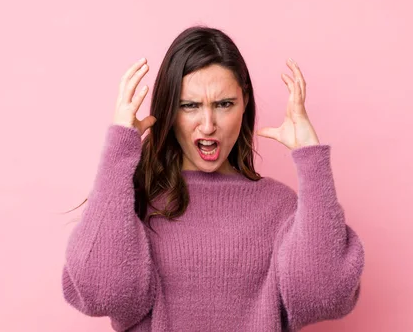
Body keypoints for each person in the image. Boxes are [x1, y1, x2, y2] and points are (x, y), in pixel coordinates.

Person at [61, 26, 364, 332]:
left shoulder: (281, 207)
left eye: (224, 104)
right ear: (169, 109)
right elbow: (100, 293)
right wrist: (119, 150)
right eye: (189, 105)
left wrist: (312, 160)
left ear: (244, 103)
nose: (207, 125)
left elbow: (328, 296)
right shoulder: (133, 204)